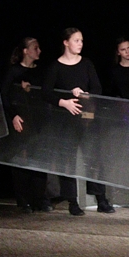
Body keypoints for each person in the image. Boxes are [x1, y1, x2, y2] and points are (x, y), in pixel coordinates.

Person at [41, 28, 115, 216]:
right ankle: (72, 202)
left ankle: (101, 199)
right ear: (66, 42)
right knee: (68, 160)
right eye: (76, 40)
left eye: (81, 40)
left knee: (94, 158)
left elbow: (97, 88)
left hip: (87, 120)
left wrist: (85, 94)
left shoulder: (86, 63)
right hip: (66, 123)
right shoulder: (56, 66)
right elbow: (46, 92)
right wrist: (64, 102)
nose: (80, 44)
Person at [2, 37, 51, 212]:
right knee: (21, 159)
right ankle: (23, 199)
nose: (39, 51)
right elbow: (5, 95)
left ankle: (40, 199)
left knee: (39, 158)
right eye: (35, 48)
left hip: (37, 120)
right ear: (25, 51)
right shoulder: (14, 71)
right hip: (21, 120)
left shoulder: (40, 72)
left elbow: (44, 94)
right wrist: (13, 115)